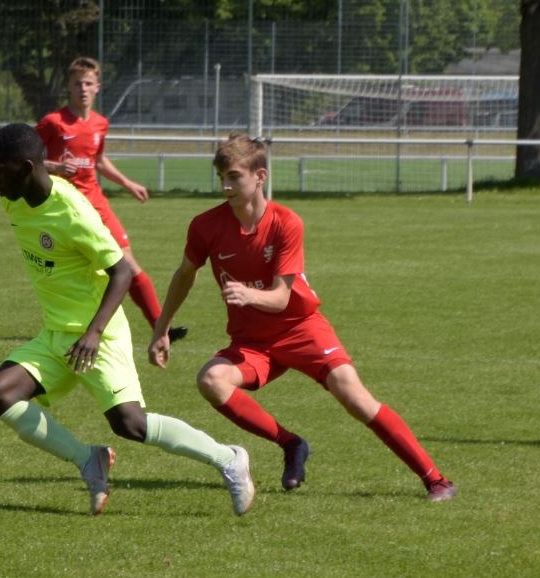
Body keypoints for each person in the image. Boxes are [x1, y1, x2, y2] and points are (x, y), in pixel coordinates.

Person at [147, 135, 457, 502]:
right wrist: (161, 328)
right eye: (221, 178)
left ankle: (436, 480)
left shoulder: (286, 223)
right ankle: (291, 444)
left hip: (301, 328)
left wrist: (248, 294)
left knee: (354, 396)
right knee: (211, 380)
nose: (226, 186)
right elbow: (185, 274)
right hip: (252, 340)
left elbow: (280, 298)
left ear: (260, 176)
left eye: (234, 177)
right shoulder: (206, 225)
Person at [0, 123, 254, 516]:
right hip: (57, 334)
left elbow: (121, 271)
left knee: (130, 423)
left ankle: (228, 459)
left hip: (98, 335)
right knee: (1, 393)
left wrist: (93, 333)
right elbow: (39, 173)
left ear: (25, 168)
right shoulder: (15, 199)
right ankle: (88, 459)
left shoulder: (73, 212)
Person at [36, 57, 187, 344]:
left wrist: (128, 183)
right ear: (68, 86)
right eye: (77, 83)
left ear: (97, 87)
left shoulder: (100, 124)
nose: (83, 89)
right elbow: (26, 155)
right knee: (77, 270)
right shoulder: (53, 122)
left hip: (97, 204)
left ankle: (160, 326)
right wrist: (55, 166)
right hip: (66, 207)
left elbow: (99, 161)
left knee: (128, 263)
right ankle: (72, 324)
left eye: (88, 83)